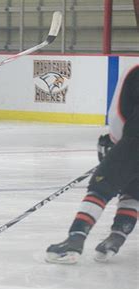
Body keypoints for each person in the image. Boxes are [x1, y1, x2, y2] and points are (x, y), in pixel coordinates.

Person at [45, 65, 139, 264]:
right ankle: (116, 239)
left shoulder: (136, 70)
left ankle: (74, 241)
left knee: (100, 188)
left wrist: (115, 142)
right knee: (134, 191)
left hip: (133, 141)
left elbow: (119, 113)